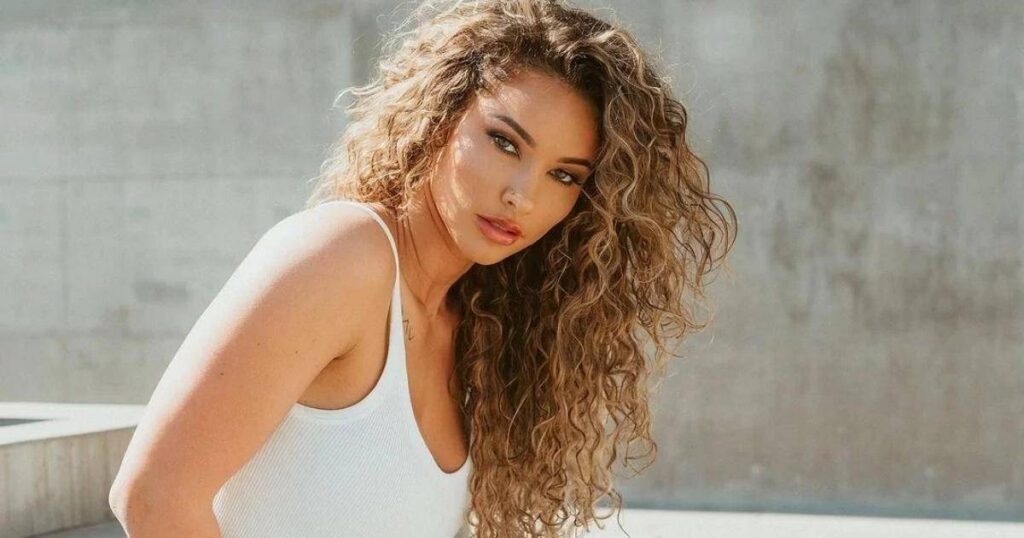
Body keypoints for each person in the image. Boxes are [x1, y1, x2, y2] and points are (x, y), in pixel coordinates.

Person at [108, 0, 737, 536]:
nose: (522, 195)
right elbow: (154, 496)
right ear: (441, 115)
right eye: (504, 142)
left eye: (564, 176)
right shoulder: (344, 256)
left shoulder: (478, 326)